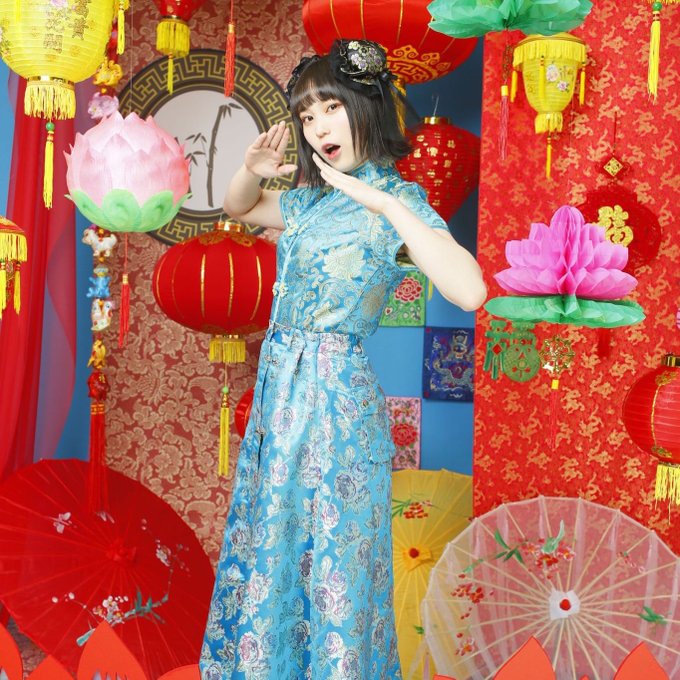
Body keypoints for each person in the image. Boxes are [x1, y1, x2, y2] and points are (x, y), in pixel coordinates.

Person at [200, 39, 486, 680]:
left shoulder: (396, 201)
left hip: (335, 401)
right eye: (306, 116)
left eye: (331, 107)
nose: (318, 127)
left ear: (368, 106)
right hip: (280, 395)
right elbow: (239, 207)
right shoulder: (311, 201)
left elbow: (470, 291)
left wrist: (386, 205)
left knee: (336, 561)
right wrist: (250, 168)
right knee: (274, 549)